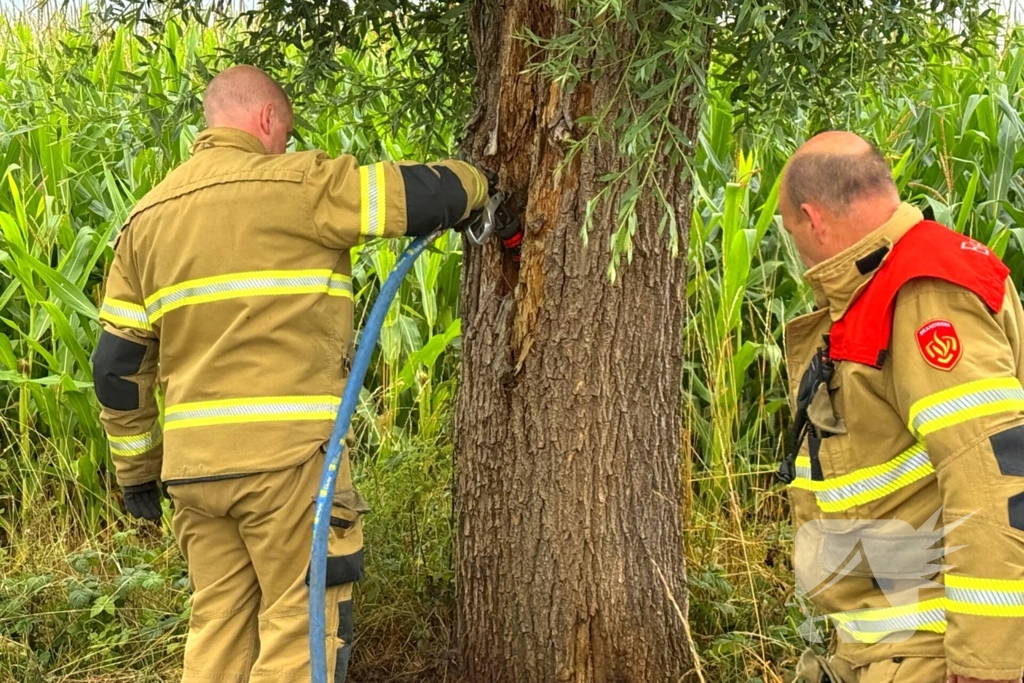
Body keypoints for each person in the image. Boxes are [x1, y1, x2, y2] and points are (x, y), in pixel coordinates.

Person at [90, 64, 490, 683]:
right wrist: (479, 180)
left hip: (195, 476)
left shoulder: (144, 221)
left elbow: (116, 367)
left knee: (217, 626)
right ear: (268, 120)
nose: (285, 143)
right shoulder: (296, 185)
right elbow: (420, 196)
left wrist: (137, 473)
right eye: (286, 132)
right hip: (289, 465)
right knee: (300, 628)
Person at [778, 131, 1024, 683]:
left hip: (927, 654)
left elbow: (991, 476)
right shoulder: (881, 286)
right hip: (888, 646)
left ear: (814, 218)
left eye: (792, 233)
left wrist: (988, 663)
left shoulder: (922, 294)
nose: (799, 251)